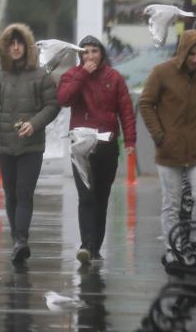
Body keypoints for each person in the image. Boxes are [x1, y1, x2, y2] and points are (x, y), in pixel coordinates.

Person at [0, 23, 59, 265]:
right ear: (4, 47)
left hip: (31, 146)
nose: (15, 48)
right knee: (10, 194)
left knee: (24, 193)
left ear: (27, 46)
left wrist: (34, 124)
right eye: (11, 44)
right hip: (5, 146)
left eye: (19, 43)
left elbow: (53, 105)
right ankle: (17, 239)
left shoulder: (41, 75)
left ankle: (21, 240)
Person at [57, 35, 136, 266]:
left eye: (94, 51)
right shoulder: (72, 76)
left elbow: (126, 110)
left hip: (107, 145)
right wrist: (83, 73)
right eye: (86, 52)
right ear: (80, 55)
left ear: (101, 53)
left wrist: (130, 140)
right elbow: (64, 99)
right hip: (81, 145)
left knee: (101, 198)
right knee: (86, 196)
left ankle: (95, 248)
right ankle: (86, 245)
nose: (90, 56)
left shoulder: (114, 77)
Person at [138, 29, 196, 255]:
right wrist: (159, 135)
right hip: (168, 151)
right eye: (191, 53)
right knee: (171, 203)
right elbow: (145, 103)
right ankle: (173, 248)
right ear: (183, 51)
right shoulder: (161, 73)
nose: (195, 59)